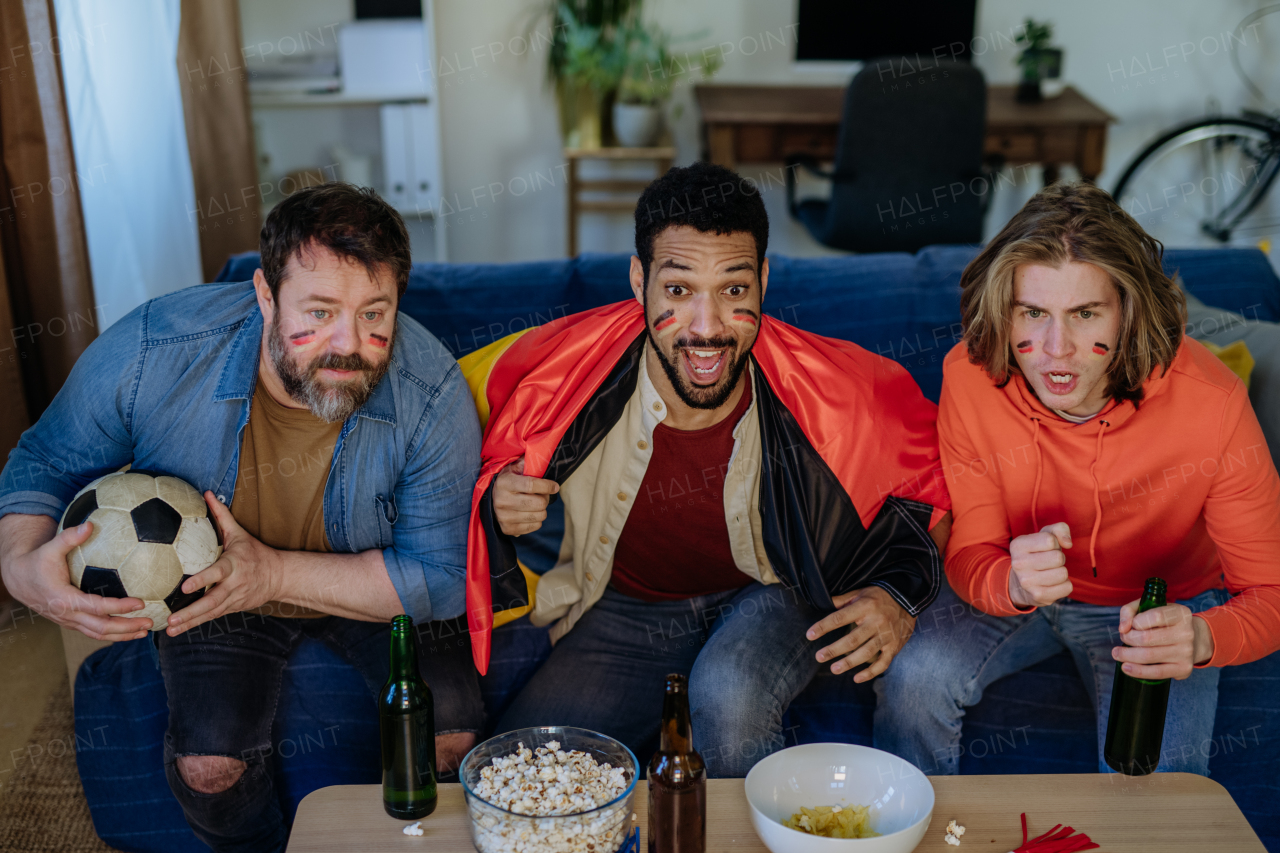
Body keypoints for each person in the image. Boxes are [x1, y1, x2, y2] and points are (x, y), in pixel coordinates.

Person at [0, 184, 483, 852]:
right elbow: (44, 457)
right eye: (319, 311)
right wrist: (21, 565)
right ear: (264, 294)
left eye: (375, 313)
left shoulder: (430, 392)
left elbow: (440, 575)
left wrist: (273, 572)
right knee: (208, 770)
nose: (349, 345)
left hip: (363, 580)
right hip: (214, 590)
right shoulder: (155, 350)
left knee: (453, 736)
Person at [460, 162, 952, 776]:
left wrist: (896, 594)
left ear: (764, 281)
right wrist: (494, 496)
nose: (707, 327)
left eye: (734, 290)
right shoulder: (561, 371)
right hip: (631, 611)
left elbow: (936, 479)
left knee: (727, 694)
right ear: (639, 280)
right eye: (678, 289)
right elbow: (447, 441)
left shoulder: (836, 388)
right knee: (516, 777)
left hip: (779, 589)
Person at [875, 182, 1280, 776]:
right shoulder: (970, 375)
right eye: (1033, 313)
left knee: (1158, 797)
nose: (1055, 351)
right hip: (1026, 592)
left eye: (1085, 313)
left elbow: (1270, 595)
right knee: (914, 678)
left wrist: (1198, 637)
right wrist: (1011, 582)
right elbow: (969, 554)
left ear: (1128, 311)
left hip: (1161, 605)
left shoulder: (1213, 403)